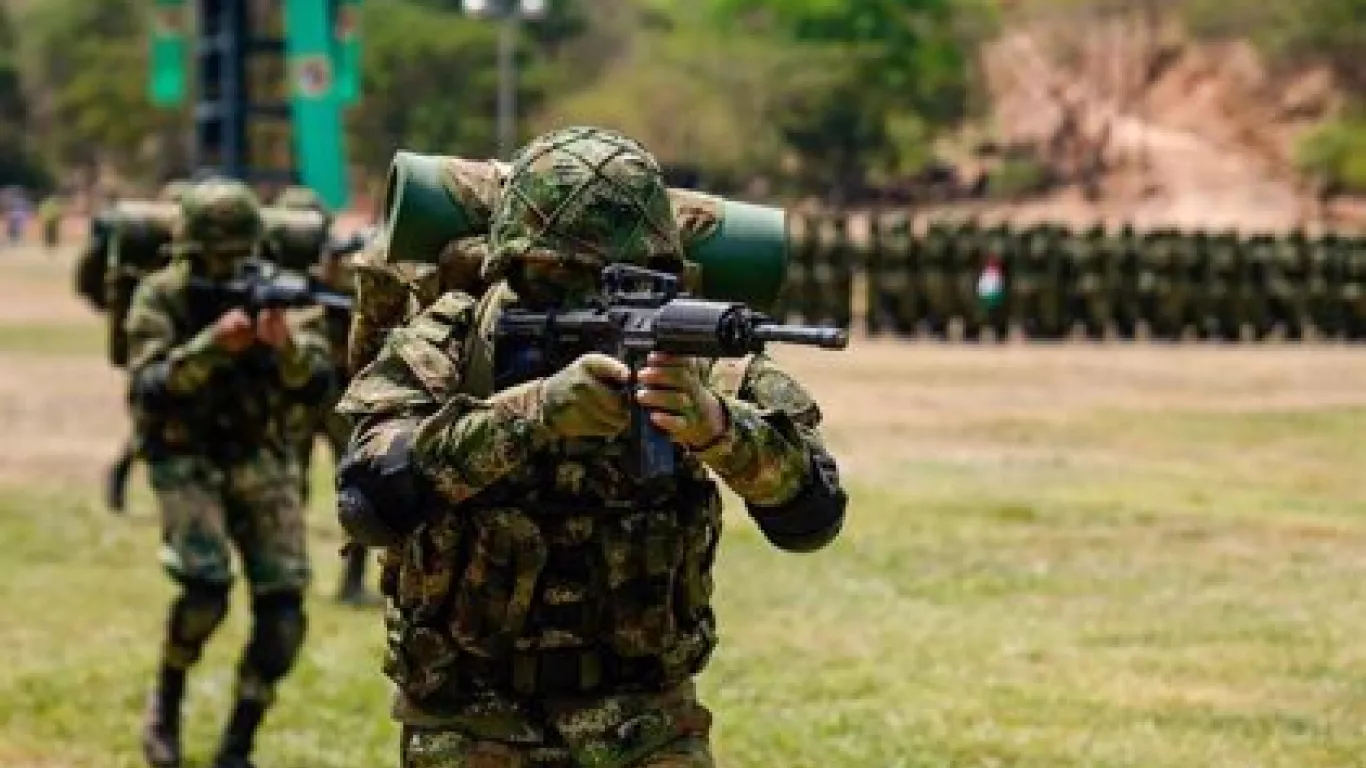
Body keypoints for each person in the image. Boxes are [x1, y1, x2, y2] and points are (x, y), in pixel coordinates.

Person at [335, 126, 848, 767]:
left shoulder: (690, 354)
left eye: (623, 280)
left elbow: (814, 513)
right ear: (511, 266)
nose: (590, 302)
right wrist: (531, 413)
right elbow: (368, 496)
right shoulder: (455, 337)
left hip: (647, 720)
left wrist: (717, 427)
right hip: (470, 719)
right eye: (557, 281)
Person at [124, 179, 332, 768]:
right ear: (185, 253)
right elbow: (148, 386)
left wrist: (284, 349)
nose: (224, 271)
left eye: (235, 259)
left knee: (284, 608)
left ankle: (239, 740)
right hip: (183, 454)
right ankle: (166, 699)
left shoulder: (283, 299)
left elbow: (318, 383)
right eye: (210, 261)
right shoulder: (159, 298)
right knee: (205, 590)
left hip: (257, 452)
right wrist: (212, 346)